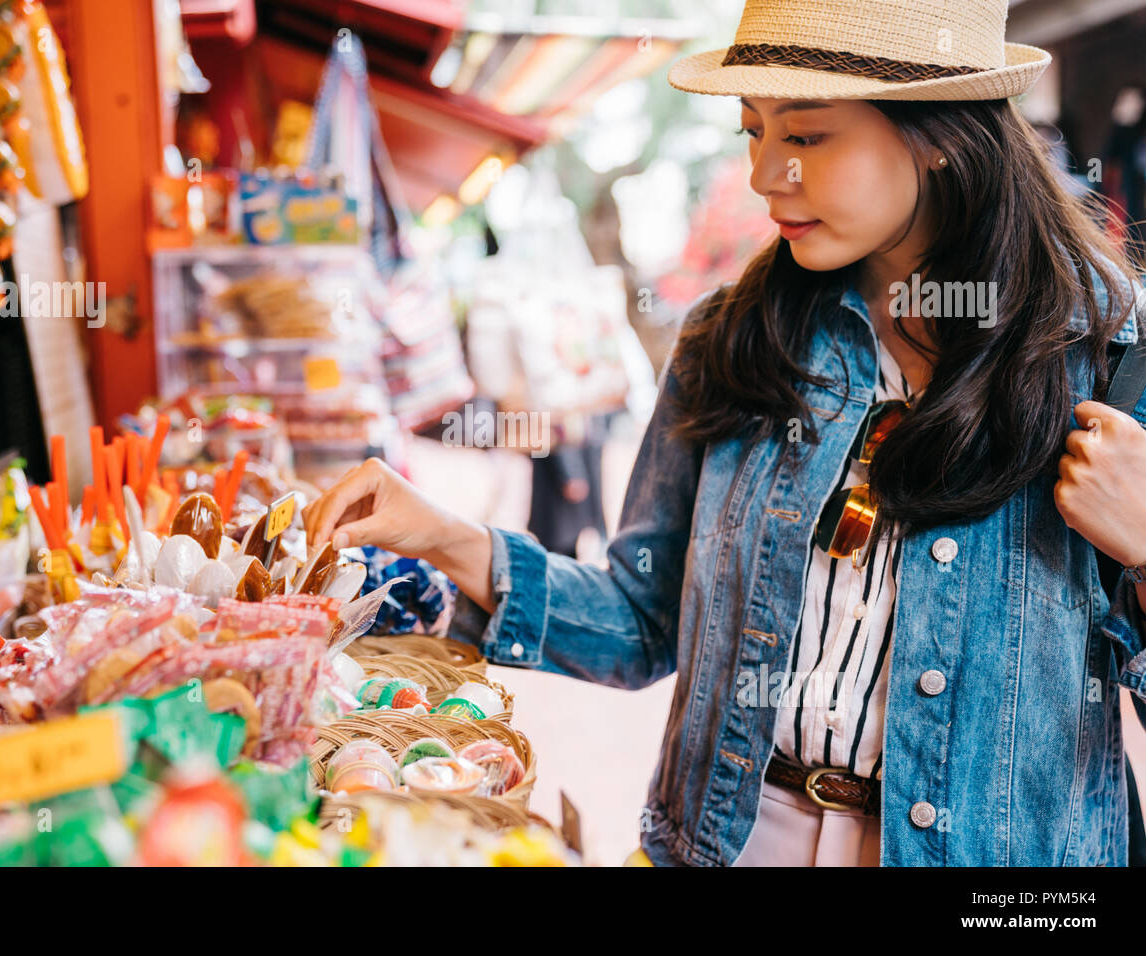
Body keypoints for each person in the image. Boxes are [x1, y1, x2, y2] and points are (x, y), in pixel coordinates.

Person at [303, 0, 1146, 866]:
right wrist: (438, 534)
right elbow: (643, 619)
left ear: (940, 135)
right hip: (729, 843)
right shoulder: (736, 337)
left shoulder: (1110, 357)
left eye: (808, 137)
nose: (764, 174)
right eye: (754, 132)